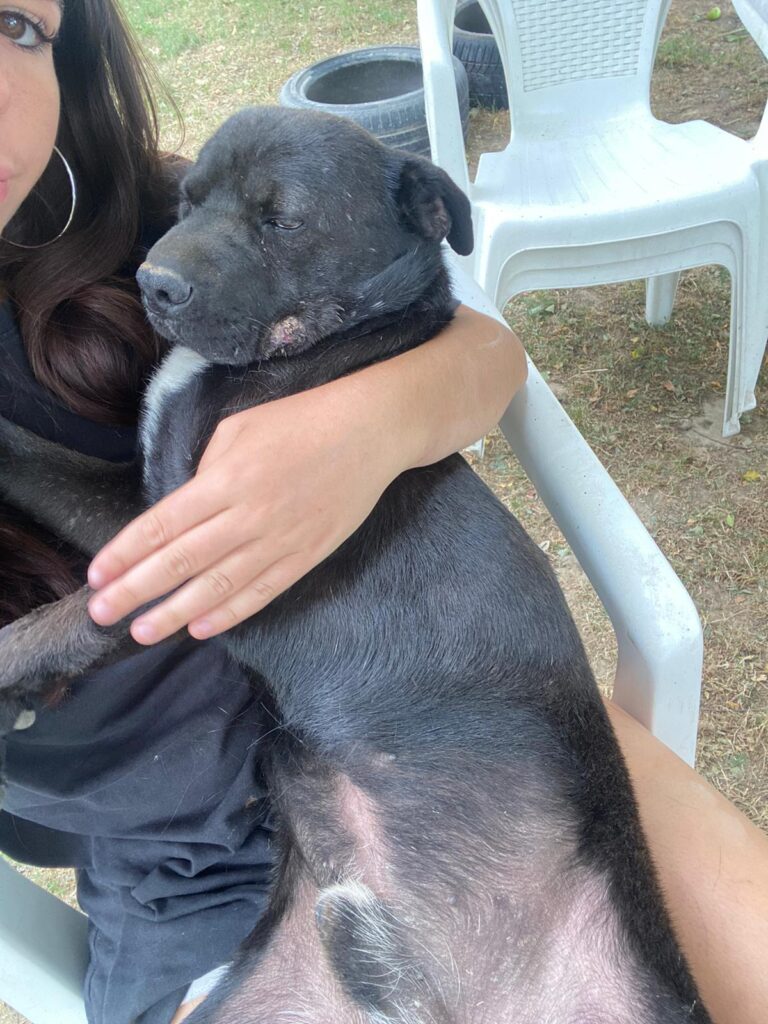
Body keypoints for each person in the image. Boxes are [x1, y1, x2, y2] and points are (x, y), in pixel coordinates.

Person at [0, 3, 766, 1024]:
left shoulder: (111, 221)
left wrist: (372, 424)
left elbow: (482, 344)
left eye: (19, 25)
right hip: (211, 876)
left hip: (497, 747)